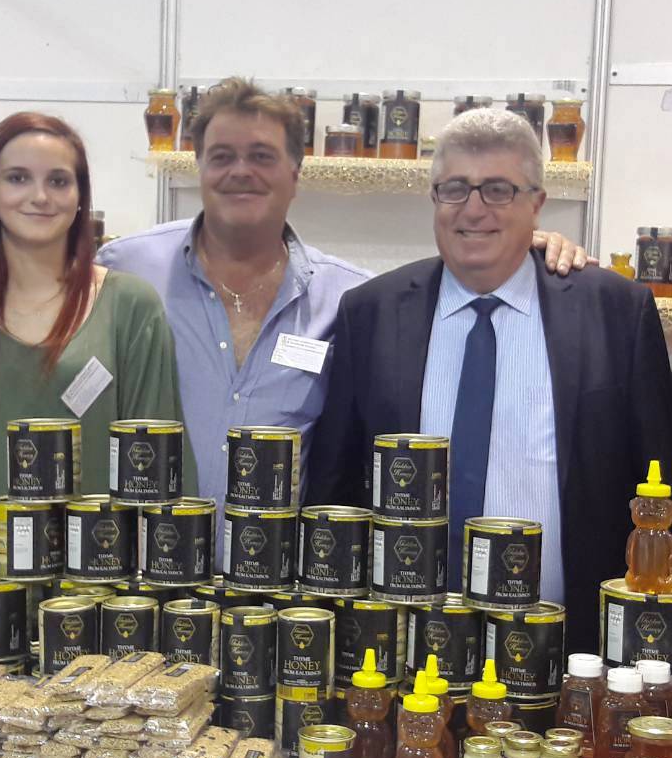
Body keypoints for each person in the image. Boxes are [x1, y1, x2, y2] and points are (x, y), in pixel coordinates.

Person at [100, 77, 590, 510]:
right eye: (222, 156)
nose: (241, 171)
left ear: (295, 175)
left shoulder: (353, 302)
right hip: (145, 569)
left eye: (262, 157)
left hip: (283, 577)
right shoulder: (127, 268)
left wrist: (526, 246)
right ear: (198, 167)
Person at [306, 108, 672, 650]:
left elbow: (661, 496)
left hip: (568, 651)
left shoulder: (615, 313)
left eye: (499, 190)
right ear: (434, 198)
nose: (474, 209)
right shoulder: (371, 313)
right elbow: (333, 493)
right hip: (400, 648)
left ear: (537, 203)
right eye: (455, 189)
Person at [0, 112, 191, 499]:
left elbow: (159, 471)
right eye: (18, 178)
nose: (40, 196)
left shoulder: (129, 307)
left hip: (95, 539)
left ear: (80, 196)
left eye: (59, 181)